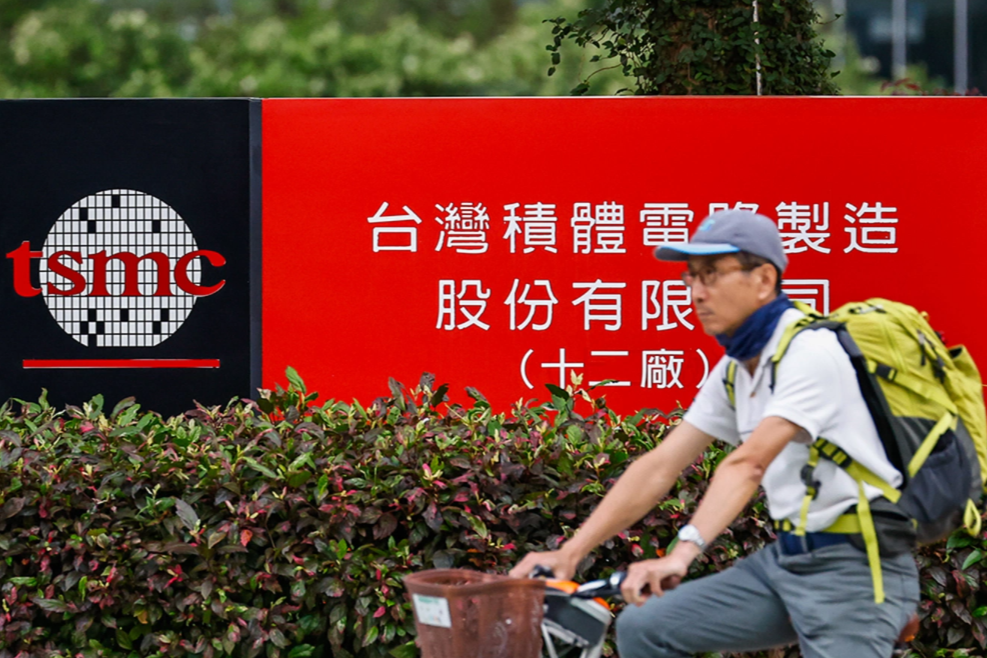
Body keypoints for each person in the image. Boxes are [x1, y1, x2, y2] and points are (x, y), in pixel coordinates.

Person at [509, 209, 920, 658]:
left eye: (712, 275)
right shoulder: (737, 368)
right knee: (648, 627)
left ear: (764, 279)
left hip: (860, 568)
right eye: (690, 278)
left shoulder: (810, 352)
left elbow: (748, 463)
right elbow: (661, 464)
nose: (696, 293)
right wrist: (572, 552)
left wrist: (682, 553)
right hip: (790, 561)